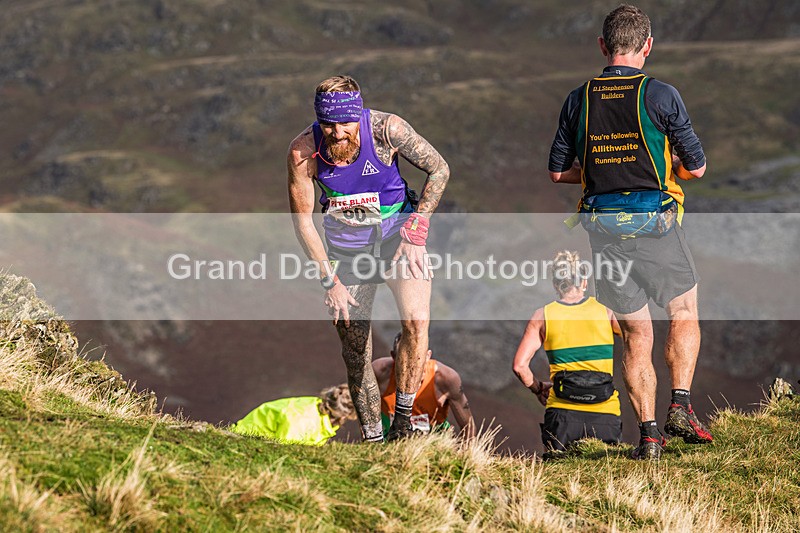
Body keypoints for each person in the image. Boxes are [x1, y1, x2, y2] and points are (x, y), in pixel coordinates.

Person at [547, 5, 712, 459]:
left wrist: (600, 171)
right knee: (683, 310)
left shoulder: (578, 99)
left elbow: (558, 173)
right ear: (647, 46)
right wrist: (662, 164)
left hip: (603, 234)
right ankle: (680, 405)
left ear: (603, 46)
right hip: (656, 227)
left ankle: (650, 437)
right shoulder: (661, 95)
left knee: (636, 334)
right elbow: (697, 168)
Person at [287, 75, 450, 443]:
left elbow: (439, 169)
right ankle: (374, 439)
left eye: (345, 122)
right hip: (348, 254)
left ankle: (403, 424)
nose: (337, 132)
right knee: (356, 350)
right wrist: (330, 282)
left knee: (417, 322)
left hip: (398, 241)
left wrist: (416, 230)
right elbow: (303, 224)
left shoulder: (386, 130)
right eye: (328, 124)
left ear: (357, 114)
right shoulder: (303, 152)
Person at [513, 251, 623, 457]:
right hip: (605, 413)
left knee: (558, 471)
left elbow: (520, 367)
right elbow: (636, 338)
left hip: (562, 415)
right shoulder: (606, 311)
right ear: (584, 282)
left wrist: (538, 388)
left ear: (556, 285)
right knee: (606, 472)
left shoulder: (542, 316)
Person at [373, 332, 476, 440]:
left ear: (428, 356)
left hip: (434, 445)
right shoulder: (380, 372)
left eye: (418, 360)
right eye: (404, 362)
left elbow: (468, 427)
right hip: (390, 443)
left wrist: (465, 450)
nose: (412, 369)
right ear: (394, 357)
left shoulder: (446, 379)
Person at [229, 384, 357, 446]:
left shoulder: (318, 407)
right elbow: (282, 451)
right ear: (344, 416)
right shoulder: (302, 421)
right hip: (243, 441)